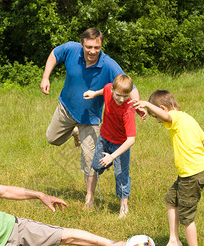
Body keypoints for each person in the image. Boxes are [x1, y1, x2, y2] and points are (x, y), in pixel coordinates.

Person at [40, 28, 143, 209]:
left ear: (101, 46)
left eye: (97, 47)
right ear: (82, 44)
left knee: (89, 162)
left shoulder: (108, 64)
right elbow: (55, 54)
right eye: (89, 47)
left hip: (90, 119)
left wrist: (138, 105)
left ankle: (89, 198)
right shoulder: (71, 49)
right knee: (52, 138)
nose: (93, 51)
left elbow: (130, 86)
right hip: (66, 107)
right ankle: (74, 131)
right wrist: (45, 76)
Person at [131, 90, 204, 246]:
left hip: (192, 174)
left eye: (156, 116)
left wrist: (148, 105)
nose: (158, 121)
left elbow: (165, 116)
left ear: (163, 109)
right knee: (171, 200)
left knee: (186, 215)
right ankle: (174, 240)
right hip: (196, 171)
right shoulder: (189, 118)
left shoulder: (176, 118)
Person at [83, 74, 139, 218]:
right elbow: (104, 89)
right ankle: (89, 198)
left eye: (125, 96)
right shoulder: (109, 89)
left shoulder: (128, 109)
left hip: (120, 144)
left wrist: (112, 157)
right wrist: (94, 93)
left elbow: (131, 139)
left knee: (121, 175)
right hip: (104, 138)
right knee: (95, 167)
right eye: (118, 95)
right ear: (113, 89)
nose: (121, 99)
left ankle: (124, 207)